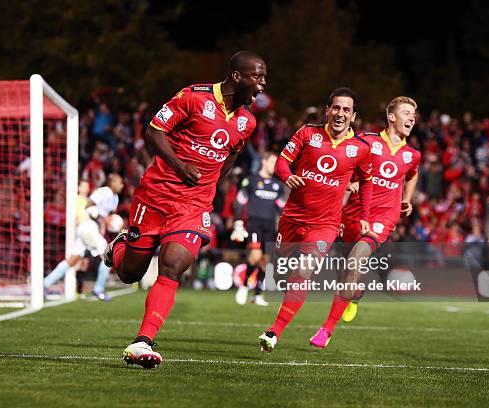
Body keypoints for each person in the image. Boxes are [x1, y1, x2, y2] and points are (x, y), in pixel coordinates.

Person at [103, 51, 267, 368]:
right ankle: (120, 246)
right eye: (257, 76)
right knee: (130, 273)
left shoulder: (247, 121)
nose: (263, 83)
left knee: (173, 266)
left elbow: (231, 154)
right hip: (155, 195)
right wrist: (179, 166)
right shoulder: (193, 97)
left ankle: (142, 342)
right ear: (237, 76)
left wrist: (214, 185)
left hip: (193, 205)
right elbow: (153, 131)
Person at [258, 87, 373, 353]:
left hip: (325, 225)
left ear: (353, 116)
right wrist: (287, 176)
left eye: (346, 110)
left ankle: (274, 332)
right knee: (284, 270)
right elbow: (282, 162)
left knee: (303, 272)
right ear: (327, 111)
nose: (340, 114)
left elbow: (366, 182)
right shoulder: (307, 133)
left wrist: (365, 215)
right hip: (291, 218)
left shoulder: (361, 148)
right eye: (336, 108)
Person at [316, 97, 421, 341]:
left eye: (413, 115)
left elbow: (413, 175)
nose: (411, 118)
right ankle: (356, 293)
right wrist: (349, 182)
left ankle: (326, 330)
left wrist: (407, 198)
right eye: (406, 113)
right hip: (353, 214)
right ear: (391, 117)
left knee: (355, 260)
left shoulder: (412, 155)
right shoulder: (367, 141)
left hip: (384, 217)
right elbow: (347, 163)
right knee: (345, 271)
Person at [44, 174, 124, 301]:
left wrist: (108, 222)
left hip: (92, 229)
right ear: (112, 182)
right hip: (88, 226)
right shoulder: (103, 192)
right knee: (109, 256)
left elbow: (109, 216)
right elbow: (89, 206)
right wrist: (101, 219)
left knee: (72, 261)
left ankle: (45, 284)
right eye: (120, 182)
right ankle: (98, 289)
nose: (122, 185)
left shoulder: (115, 198)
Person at [232, 151, 284, 306]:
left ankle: (258, 295)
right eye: (273, 162)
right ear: (264, 162)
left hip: (269, 227)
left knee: (266, 262)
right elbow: (240, 202)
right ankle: (244, 286)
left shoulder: (278, 185)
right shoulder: (251, 180)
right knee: (255, 257)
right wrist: (238, 223)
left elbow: (282, 208)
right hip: (254, 225)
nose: (275, 166)